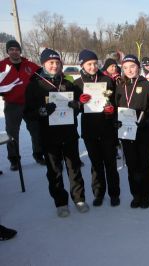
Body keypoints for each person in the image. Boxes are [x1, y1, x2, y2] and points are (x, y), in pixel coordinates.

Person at [24, 48, 88, 216]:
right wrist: (42, 111)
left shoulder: (67, 83)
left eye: (57, 62)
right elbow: (28, 112)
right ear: (43, 63)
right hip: (48, 136)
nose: (54, 66)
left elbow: (80, 104)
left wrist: (76, 106)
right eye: (51, 62)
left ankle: (79, 198)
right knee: (54, 170)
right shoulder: (35, 85)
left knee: (73, 167)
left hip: (69, 134)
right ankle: (60, 202)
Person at [74, 49, 120, 207]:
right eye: (89, 64)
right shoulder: (77, 83)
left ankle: (114, 194)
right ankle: (99, 193)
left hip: (107, 128)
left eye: (95, 63)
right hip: (89, 130)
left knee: (110, 163)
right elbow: (73, 109)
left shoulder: (106, 79)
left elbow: (114, 101)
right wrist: (79, 103)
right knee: (96, 165)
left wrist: (111, 110)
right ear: (82, 65)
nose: (93, 66)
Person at [115, 55, 149, 208]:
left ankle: (146, 195)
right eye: (125, 67)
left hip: (144, 133)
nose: (129, 70)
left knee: (145, 165)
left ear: (138, 67)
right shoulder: (120, 86)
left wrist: (146, 122)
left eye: (132, 66)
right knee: (132, 165)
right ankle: (136, 195)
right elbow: (115, 108)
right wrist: (117, 121)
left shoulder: (147, 86)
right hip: (126, 134)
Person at [0, 40, 44, 170]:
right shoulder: (2, 66)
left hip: (30, 104)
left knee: (36, 131)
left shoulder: (30, 65)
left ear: (20, 51)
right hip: (13, 104)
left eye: (16, 49)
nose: (14, 51)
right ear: (7, 51)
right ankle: (14, 160)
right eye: (11, 49)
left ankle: (38, 154)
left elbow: (44, 78)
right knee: (12, 134)